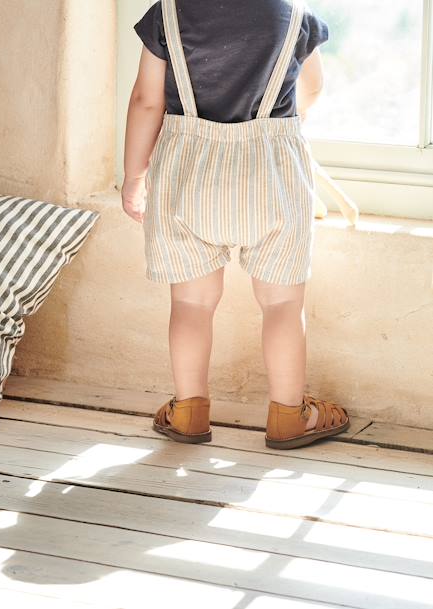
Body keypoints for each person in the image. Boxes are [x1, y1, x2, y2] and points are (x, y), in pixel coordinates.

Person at [122, 0, 350, 450]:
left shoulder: (169, 12)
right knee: (283, 303)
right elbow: (314, 87)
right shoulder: (295, 15)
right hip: (272, 173)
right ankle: (289, 415)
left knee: (191, 303)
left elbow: (146, 101)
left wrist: (134, 176)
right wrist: (285, 119)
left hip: (187, 175)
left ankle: (188, 411)